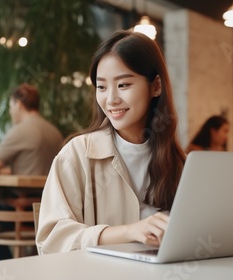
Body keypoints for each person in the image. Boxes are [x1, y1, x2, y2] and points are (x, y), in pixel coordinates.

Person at [36, 30, 186, 254]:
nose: (111, 99)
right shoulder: (77, 154)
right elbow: (51, 241)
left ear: (156, 86)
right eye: (102, 87)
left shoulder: (175, 161)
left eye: (123, 85)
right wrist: (129, 231)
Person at [0, 83, 64, 263]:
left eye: (10, 106)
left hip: (22, 209)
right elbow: (34, 167)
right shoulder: (54, 131)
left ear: (18, 104)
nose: (11, 112)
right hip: (47, 208)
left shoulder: (21, 130)